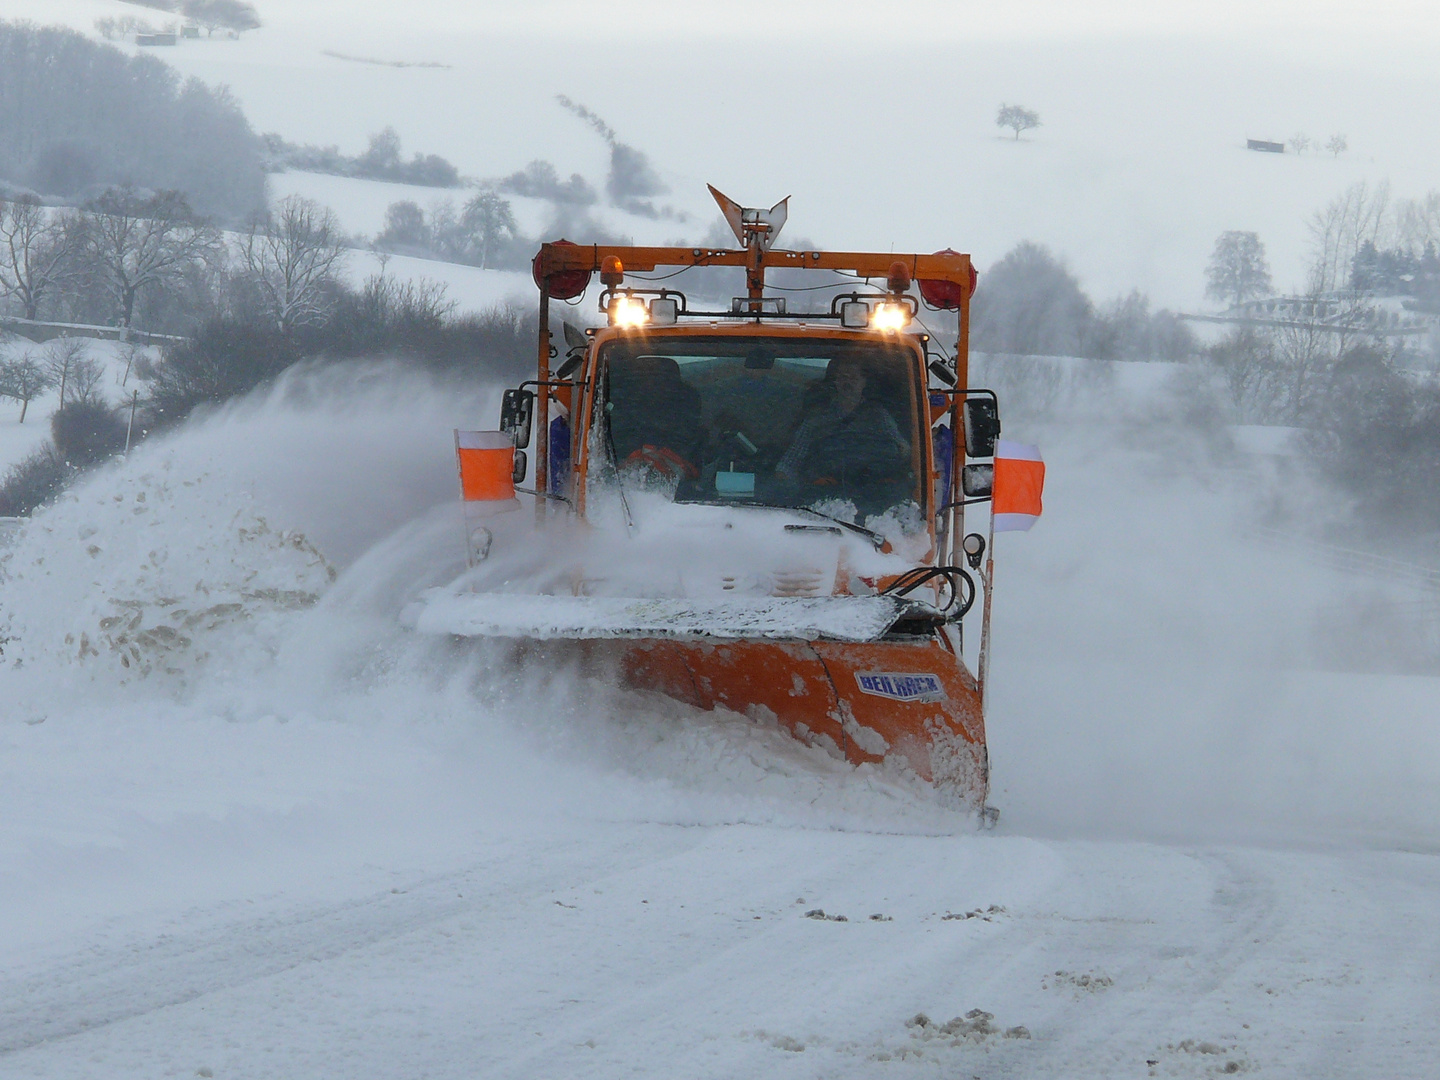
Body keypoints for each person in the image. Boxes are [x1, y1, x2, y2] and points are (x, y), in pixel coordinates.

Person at [775, 356, 909, 486]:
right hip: (823, 494)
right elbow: (791, 460)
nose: (848, 382)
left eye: (854, 378)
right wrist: (784, 486)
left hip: (872, 492)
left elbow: (902, 450)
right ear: (835, 381)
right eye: (843, 377)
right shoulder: (817, 417)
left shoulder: (879, 416)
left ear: (864, 382)